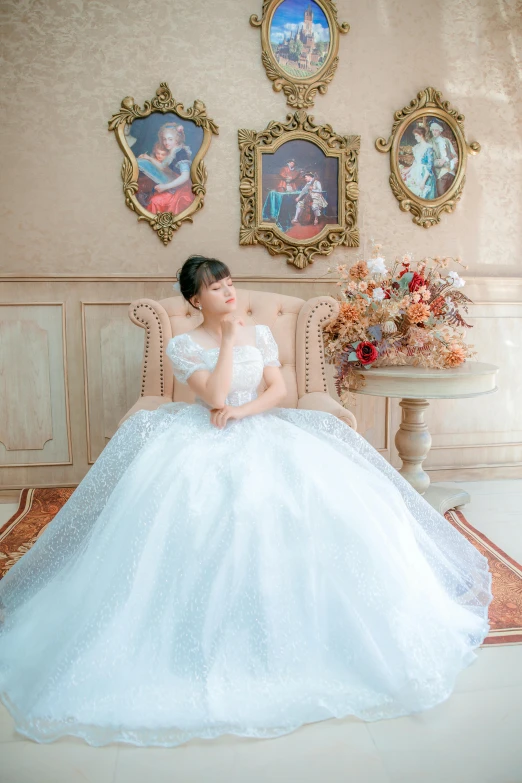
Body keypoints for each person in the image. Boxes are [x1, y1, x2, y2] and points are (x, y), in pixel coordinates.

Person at [0, 255, 491, 748]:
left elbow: (278, 389)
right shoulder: (182, 344)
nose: (228, 292)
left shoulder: (263, 336)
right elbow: (213, 396)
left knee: (317, 501)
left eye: (230, 283)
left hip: (259, 427)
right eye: (216, 288)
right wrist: (230, 346)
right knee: (198, 510)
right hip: (199, 437)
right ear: (196, 300)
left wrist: (243, 412)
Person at [141, 122, 194, 216]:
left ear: (177, 140)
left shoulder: (181, 153)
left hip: (181, 188)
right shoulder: (172, 151)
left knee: (155, 201)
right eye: (164, 139)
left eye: (170, 139)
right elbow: (162, 167)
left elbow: (185, 176)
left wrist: (165, 187)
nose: (166, 142)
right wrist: (149, 158)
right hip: (172, 182)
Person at [400, 126, 436, 200]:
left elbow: (429, 166)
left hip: (425, 174)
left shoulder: (428, 147)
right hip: (415, 172)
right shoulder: (416, 147)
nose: (415, 138)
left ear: (421, 135)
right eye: (415, 136)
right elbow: (416, 162)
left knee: (423, 196)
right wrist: (407, 170)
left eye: (416, 136)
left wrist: (423, 181)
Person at [430, 121, 458, 197]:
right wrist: (438, 163)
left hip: (451, 171)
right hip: (440, 173)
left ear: (440, 130)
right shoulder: (430, 143)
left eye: (436, 130)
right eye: (433, 130)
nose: (434, 132)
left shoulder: (447, 141)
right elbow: (430, 160)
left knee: (451, 194)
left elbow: (454, 154)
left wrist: (455, 159)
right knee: (441, 195)